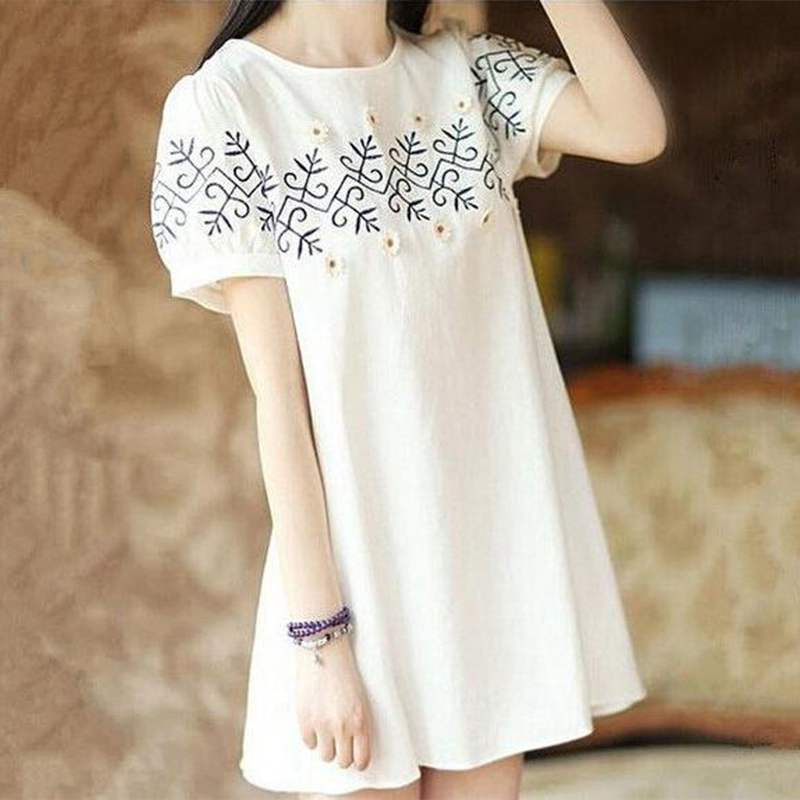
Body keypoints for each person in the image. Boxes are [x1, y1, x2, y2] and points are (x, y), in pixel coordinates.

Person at [148, 1, 666, 797]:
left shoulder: (464, 70)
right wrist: (321, 644)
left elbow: (636, 131)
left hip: (485, 568)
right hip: (353, 590)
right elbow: (281, 406)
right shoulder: (227, 103)